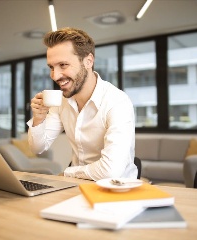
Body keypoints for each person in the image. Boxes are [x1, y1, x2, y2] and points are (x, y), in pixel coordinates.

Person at [27, 27, 137, 181]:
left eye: (63, 65)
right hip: (77, 187)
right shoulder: (62, 102)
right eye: (51, 67)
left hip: (116, 190)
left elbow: (111, 170)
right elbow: (38, 148)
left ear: (88, 61)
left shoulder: (117, 102)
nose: (55, 75)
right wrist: (38, 118)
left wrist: (68, 172)